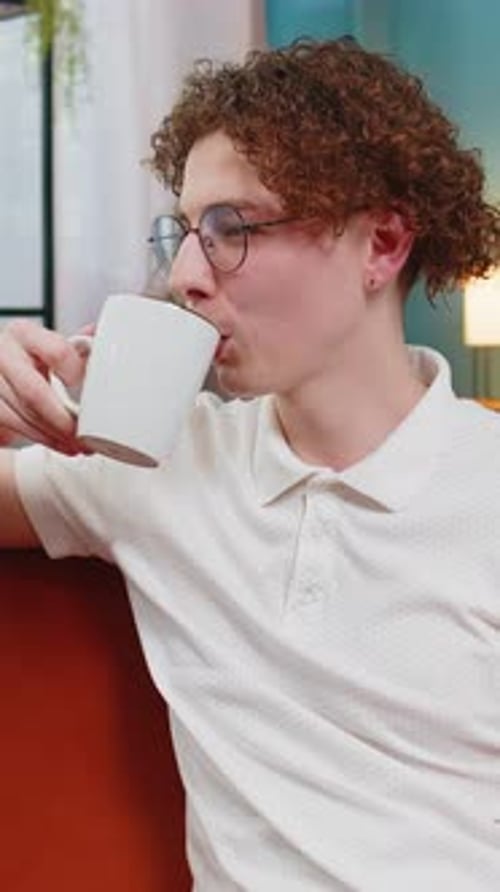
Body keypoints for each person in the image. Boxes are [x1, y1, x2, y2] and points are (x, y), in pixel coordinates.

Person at [1, 35, 500, 890]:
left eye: (234, 229)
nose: (188, 275)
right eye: (186, 232)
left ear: (381, 244)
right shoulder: (154, 463)